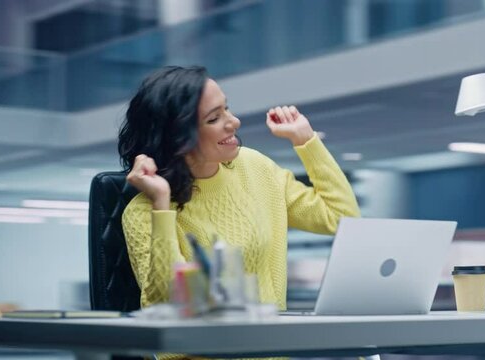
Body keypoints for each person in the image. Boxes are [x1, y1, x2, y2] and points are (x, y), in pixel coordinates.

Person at [118, 65, 360, 315]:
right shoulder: (143, 212)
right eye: (214, 118)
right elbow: (168, 303)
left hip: (271, 348)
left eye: (227, 108)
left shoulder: (255, 167)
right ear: (178, 137)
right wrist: (161, 205)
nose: (234, 122)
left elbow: (341, 218)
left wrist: (306, 141)